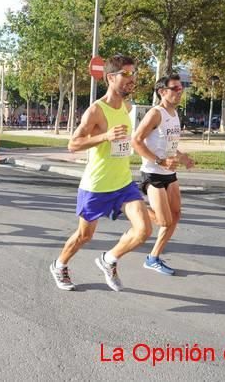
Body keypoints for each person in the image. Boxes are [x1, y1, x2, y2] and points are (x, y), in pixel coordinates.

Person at [49, 54, 152, 292]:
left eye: (133, 73)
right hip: (96, 185)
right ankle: (59, 264)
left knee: (144, 229)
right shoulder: (95, 110)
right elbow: (73, 144)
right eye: (125, 74)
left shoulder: (127, 106)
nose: (131, 78)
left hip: (123, 183)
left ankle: (109, 260)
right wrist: (105, 136)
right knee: (84, 236)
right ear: (110, 78)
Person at [132, 74, 195, 276]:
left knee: (175, 216)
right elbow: (136, 141)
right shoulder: (155, 113)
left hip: (170, 173)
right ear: (162, 91)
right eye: (175, 88)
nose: (180, 91)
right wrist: (159, 161)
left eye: (180, 88)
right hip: (153, 173)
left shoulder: (175, 114)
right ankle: (130, 206)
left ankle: (153, 258)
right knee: (164, 221)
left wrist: (182, 157)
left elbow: (168, 145)